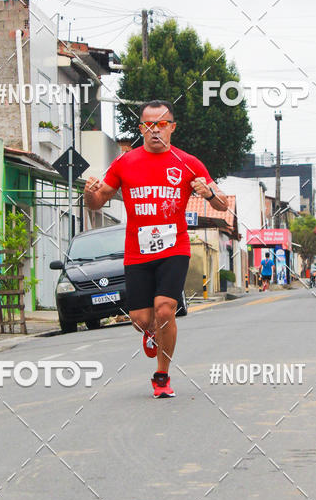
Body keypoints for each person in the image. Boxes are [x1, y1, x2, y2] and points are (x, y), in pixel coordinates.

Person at [83, 99, 227, 398]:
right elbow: (98, 203)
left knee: (165, 309)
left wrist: (209, 192)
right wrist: (90, 195)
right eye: (148, 125)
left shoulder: (188, 162)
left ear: (171, 128)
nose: (155, 130)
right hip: (137, 251)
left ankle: (162, 375)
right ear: (141, 129)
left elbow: (223, 205)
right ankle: (150, 334)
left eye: (161, 124)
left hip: (175, 247)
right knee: (141, 319)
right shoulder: (125, 162)